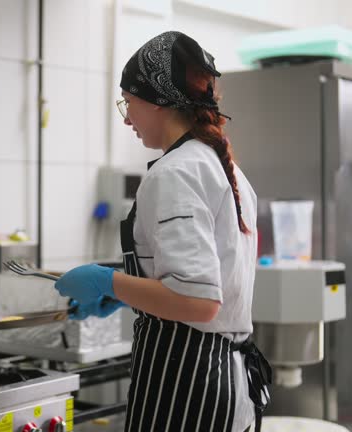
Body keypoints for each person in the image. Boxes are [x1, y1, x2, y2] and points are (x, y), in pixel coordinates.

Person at [54, 31, 272, 432]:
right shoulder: (223, 168)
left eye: (128, 102)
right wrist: (130, 297)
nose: (125, 117)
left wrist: (108, 282)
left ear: (157, 101)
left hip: (187, 386)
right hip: (223, 385)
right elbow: (207, 286)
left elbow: (198, 300)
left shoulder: (175, 173)